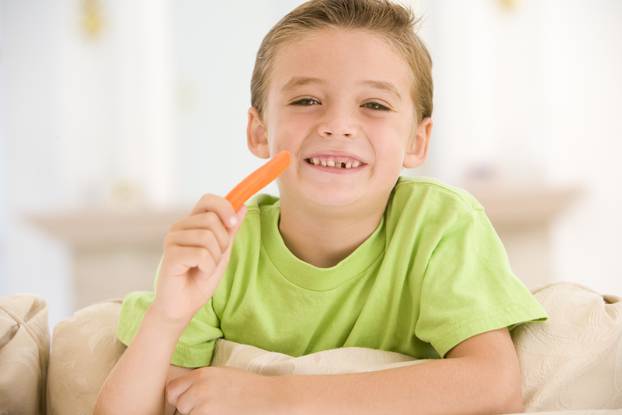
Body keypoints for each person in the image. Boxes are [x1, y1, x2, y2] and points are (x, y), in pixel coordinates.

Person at [95, 0, 548, 414]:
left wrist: (274, 397)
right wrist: (168, 316)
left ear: (417, 141)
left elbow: (493, 386)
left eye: (374, 104)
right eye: (306, 100)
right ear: (258, 131)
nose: (337, 125)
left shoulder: (440, 224)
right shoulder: (220, 250)